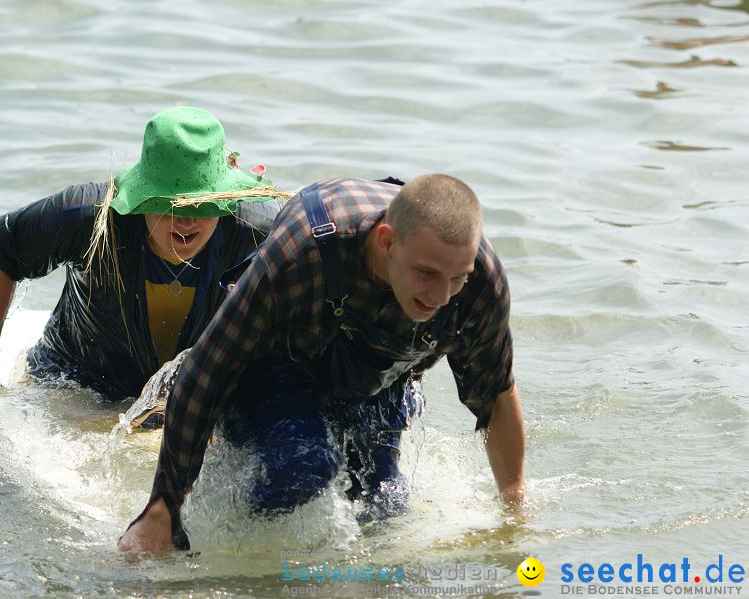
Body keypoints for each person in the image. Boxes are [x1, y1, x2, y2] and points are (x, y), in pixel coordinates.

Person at [117, 174, 526, 553]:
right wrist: (161, 511)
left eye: (457, 278)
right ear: (386, 241)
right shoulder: (300, 255)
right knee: (303, 467)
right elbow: (206, 372)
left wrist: (515, 512)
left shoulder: (480, 284)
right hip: (275, 366)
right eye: (426, 274)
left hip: (377, 378)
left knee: (384, 506)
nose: (442, 297)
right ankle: (224, 533)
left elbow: (498, 397)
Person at [0, 106, 284, 399]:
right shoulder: (87, 217)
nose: (187, 220)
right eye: (168, 204)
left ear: (223, 200)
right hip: (77, 383)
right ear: (144, 195)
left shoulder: (260, 234)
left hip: (193, 393)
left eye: (202, 205)